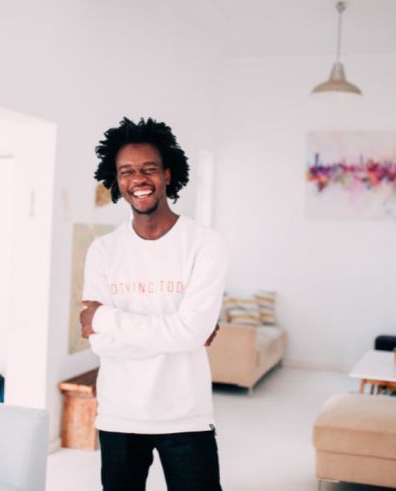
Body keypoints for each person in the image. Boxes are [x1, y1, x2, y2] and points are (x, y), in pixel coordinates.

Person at [80, 117, 227, 491]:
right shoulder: (103, 250)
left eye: (148, 169)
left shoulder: (205, 244)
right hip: (119, 414)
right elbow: (99, 343)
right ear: (116, 181)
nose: (138, 179)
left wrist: (104, 317)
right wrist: (176, 333)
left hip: (185, 414)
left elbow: (188, 334)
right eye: (126, 171)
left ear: (167, 174)